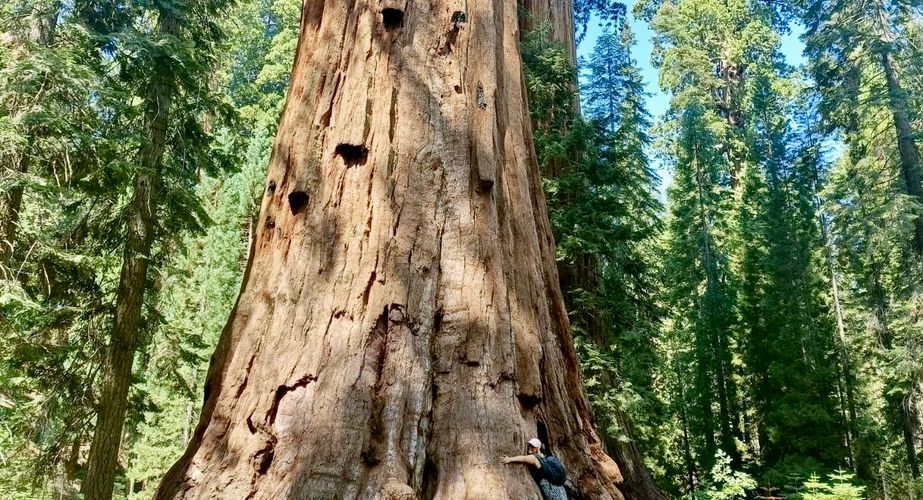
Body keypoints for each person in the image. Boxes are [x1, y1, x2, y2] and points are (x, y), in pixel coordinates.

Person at [500, 438, 568, 500]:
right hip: (559, 489)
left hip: (551, 490)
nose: (530, 448)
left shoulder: (534, 458)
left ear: (538, 448)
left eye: (532, 446)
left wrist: (510, 459)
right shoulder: (544, 456)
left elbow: (524, 458)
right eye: (529, 445)